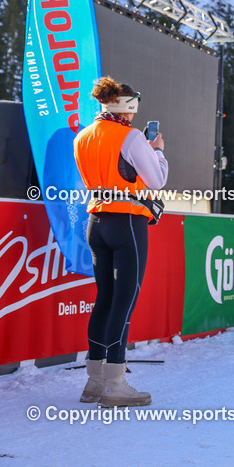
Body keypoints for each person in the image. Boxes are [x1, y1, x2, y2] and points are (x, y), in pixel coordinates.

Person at [73, 76, 168, 407]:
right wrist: (157, 151)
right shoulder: (131, 136)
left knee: (104, 300)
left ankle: (94, 381)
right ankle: (115, 384)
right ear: (128, 108)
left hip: (96, 222)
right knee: (123, 303)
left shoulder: (83, 135)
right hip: (127, 221)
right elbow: (156, 180)